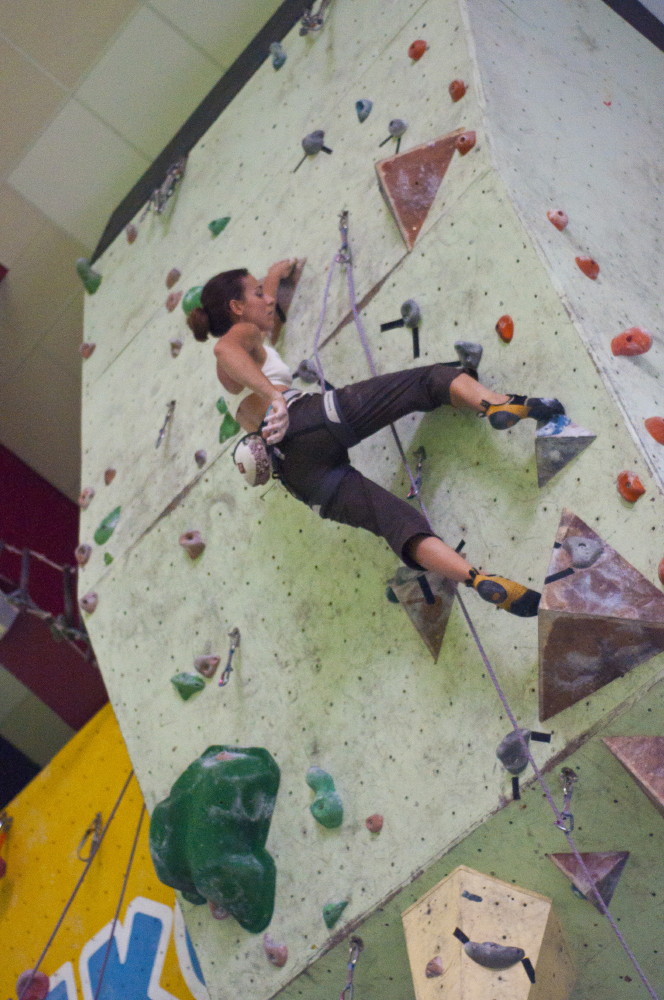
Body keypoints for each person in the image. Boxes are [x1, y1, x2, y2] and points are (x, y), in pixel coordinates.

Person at [187, 261, 565, 617]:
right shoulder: (239, 340)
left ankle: (477, 579)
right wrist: (275, 397)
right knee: (427, 382)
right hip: (305, 420)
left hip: (299, 475)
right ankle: (497, 404)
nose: (268, 299)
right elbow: (226, 348)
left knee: (395, 522)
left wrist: (274, 274)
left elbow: (257, 328)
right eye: (257, 294)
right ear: (236, 308)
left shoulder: (245, 359)